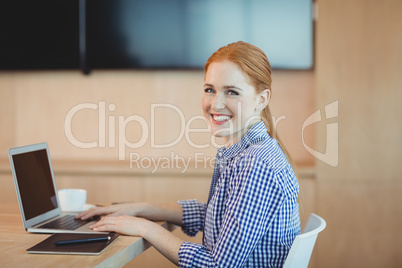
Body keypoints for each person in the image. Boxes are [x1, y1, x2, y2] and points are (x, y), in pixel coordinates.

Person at [76, 41, 301, 267]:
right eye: (209, 90)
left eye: (232, 92)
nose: (216, 103)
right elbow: (217, 217)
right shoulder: (249, 152)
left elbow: (217, 265)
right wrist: (139, 209)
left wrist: (144, 227)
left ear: (261, 100)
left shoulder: (255, 164)